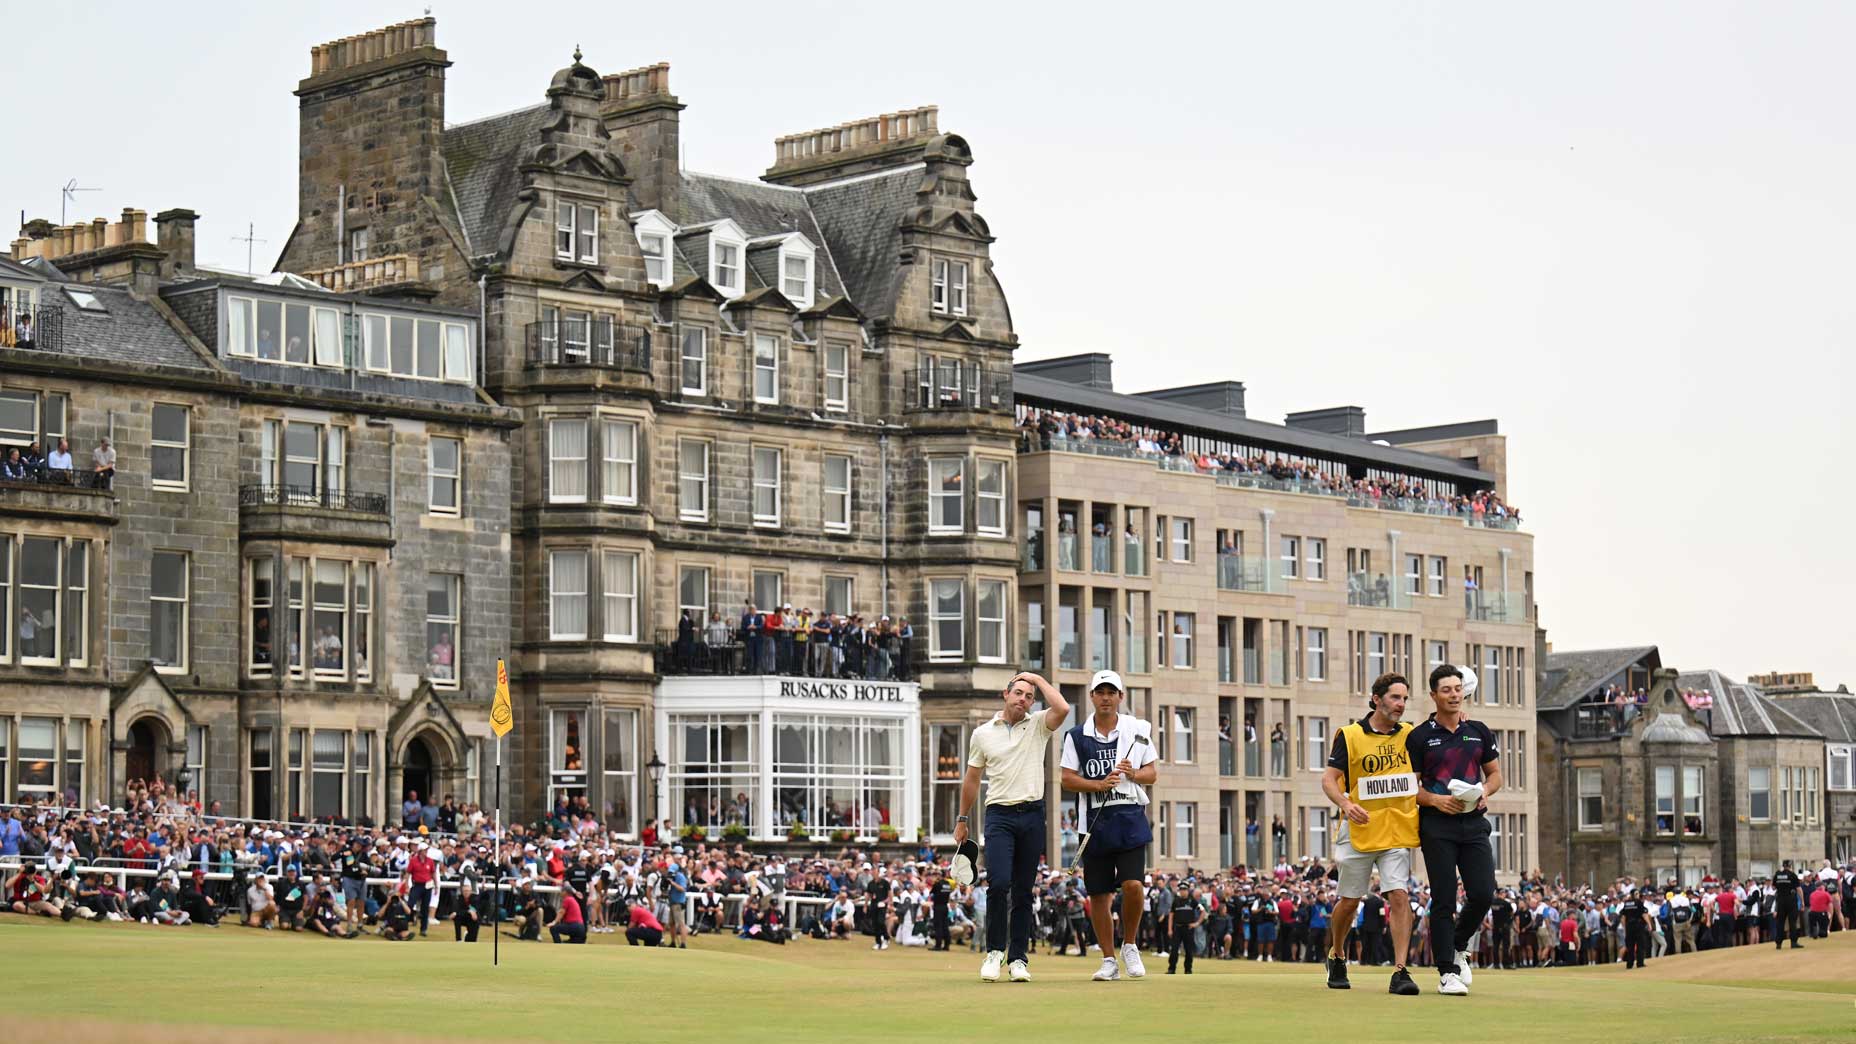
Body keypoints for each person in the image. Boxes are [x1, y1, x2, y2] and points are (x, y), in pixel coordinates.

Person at [955, 671, 1071, 983]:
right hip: (999, 816)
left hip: (1033, 815)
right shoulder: (982, 734)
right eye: (1019, 692)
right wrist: (962, 819)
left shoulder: (1038, 726)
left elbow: (1063, 709)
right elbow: (972, 779)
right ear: (1006, 695)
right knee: (999, 883)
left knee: (1023, 890)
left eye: (1029, 696)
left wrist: (1036, 678)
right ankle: (994, 952)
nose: (1023, 699)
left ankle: (1018, 959)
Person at [1321, 672, 1423, 995]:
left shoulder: (1410, 734)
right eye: (1396, 697)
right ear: (1376, 699)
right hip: (1360, 829)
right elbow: (1329, 779)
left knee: (1399, 895)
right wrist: (1344, 803)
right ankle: (1337, 954)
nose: (1401, 704)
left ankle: (1401, 970)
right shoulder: (1350, 736)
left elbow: (1438, 737)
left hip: (1396, 829)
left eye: (1405, 698)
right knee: (1350, 902)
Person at [1407, 664, 1503, 996]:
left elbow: (1495, 776)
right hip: (1437, 826)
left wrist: (1485, 793)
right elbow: (1410, 789)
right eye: (1446, 689)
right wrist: (1435, 800)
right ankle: (1447, 971)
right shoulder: (1419, 736)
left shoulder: (1478, 731)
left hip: (1473, 823)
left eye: (1457, 688)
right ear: (1433, 695)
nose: (1453, 694)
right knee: (1444, 898)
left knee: (1482, 893)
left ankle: (1459, 944)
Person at [1058, 669, 1157, 981]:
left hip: (1128, 816)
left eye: (1111, 692)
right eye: (1100, 692)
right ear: (1091, 697)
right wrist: (1098, 784)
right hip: (1095, 821)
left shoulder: (1137, 731)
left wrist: (1133, 774)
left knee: (1133, 885)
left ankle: (1130, 944)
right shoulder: (1076, 736)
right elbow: (1067, 779)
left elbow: (1151, 773)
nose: (1105, 698)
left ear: (1120, 697)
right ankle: (1108, 960)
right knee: (1099, 895)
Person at [1167, 879, 1202, 974]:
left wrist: (1197, 923)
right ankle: (1171, 968)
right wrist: (1169, 929)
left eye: (1184, 889)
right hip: (1177, 928)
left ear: (1187, 890)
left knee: (1188, 950)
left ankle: (1188, 969)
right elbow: (1171, 915)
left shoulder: (1192, 901)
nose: (1182, 891)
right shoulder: (1176, 901)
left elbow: (1203, 911)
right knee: (1174, 949)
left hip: (1188, 928)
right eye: (1181, 889)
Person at [1772, 860, 1803, 949]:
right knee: (1792, 922)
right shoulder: (1792, 875)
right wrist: (1802, 902)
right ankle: (1793, 942)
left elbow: (1773, 887)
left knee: (1780, 922)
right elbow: (1799, 889)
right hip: (1791, 900)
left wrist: (1781, 886)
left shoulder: (1777, 874)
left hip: (1780, 900)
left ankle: (1778, 943)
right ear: (1790, 866)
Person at [1620, 887, 1652, 969]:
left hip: (1629, 926)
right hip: (1638, 926)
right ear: (1633, 895)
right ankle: (1640, 963)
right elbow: (1644, 915)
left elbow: (1623, 918)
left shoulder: (1626, 903)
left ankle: (1629, 964)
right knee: (1640, 945)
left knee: (1630, 946)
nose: (1638, 895)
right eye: (1637, 894)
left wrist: (1625, 928)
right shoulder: (1638, 902)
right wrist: (1649, 924)